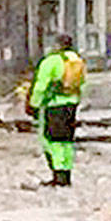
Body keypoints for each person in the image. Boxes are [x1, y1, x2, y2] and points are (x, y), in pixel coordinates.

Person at [28, 33, 87, 186]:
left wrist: (34, 103)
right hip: (72, 104)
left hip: (54, 104)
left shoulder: (51, 61)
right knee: (67, 139)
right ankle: (67, 172)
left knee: (53, 140)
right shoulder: (77, 60)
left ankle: (58, 173)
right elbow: (82, 82)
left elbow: (41, 85)